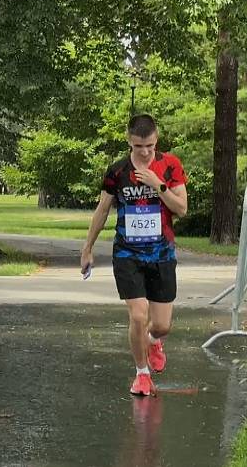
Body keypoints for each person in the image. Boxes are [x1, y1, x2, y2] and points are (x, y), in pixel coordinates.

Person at [80, 114, 187, 397]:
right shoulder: (117, 172)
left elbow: (182, 208)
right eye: (139, 146)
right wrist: (87, 248)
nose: (145, 151)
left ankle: (153, 341)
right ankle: (141, 374)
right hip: (127, 253)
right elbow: (102, 210)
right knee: (138, 316)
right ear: (129, 140)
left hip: (162, 253)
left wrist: (157, 184)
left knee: (161, 325)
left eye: (150, 145)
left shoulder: (170, 165)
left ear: (157, 139)